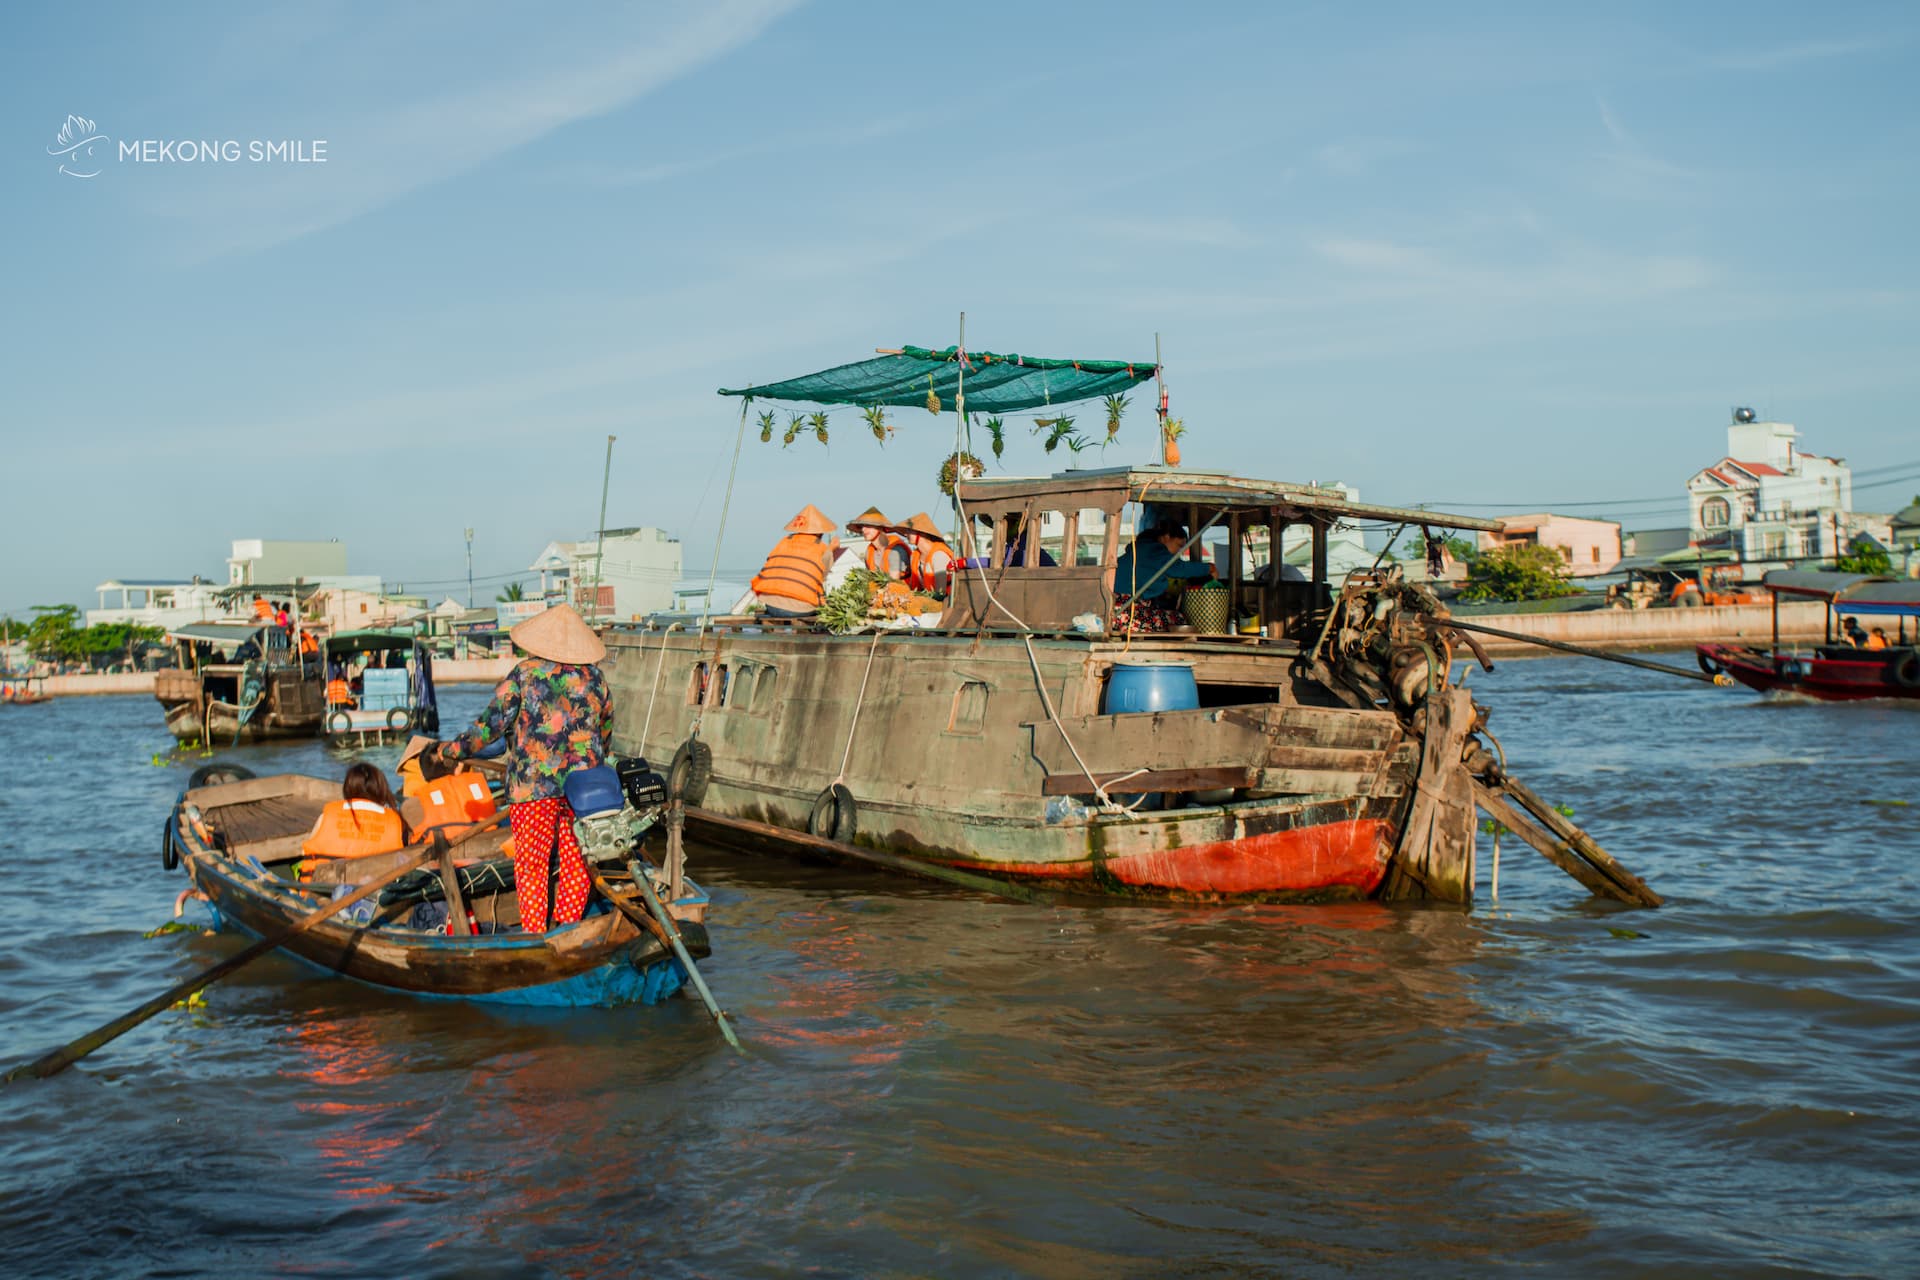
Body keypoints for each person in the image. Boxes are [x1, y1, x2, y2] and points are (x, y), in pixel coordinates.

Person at [431, 604, 610, 933]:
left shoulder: (525, 674)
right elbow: (605, 730)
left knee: (532, 865)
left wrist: (452, 750)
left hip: (533, 787)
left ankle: (536, 935)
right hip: (586, 788)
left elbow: (490, 727)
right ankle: (569, 928)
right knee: (577, 862)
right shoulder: (595, 678)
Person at [300, 762, 411, 872]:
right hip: (376, 887)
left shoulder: (326, 816)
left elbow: (305, 853)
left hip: (323, 887)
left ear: (347, 788)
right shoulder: (395, 821)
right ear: (381, 789)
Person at [750, 505, 840, 618]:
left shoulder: (784, 541)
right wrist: (831, 549)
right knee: (820, 602)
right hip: (799, 610)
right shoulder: (821, 547)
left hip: (772, 606)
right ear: (820, 532)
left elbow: (769, 564)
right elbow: (822, 575)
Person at [1114, 521, 1215, 604]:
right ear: (1166, 537)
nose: (1180, 552)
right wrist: (1209, 568)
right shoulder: (1156, 551)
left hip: (1117, 601)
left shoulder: (1142, 548)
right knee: (1178, 620)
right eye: (1179, 546)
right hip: (1125, 605)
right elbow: (1179, 569)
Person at [894, 512, 955, 595]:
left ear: (921, 532)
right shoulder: (915, 556)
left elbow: (941, 592)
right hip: (926, 601)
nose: (905, 534)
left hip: (944, 603)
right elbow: (913, 587)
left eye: (908, 530)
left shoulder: (939, 556)